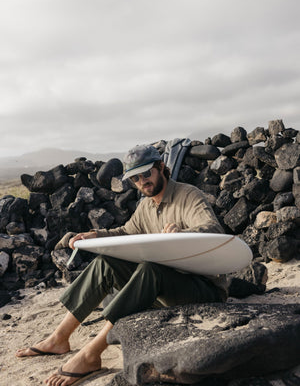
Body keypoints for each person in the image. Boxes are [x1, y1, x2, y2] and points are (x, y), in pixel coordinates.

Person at [16, 144, 228, 386]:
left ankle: (90, 354)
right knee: (106, 262)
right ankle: (59, 337)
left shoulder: (188, 195)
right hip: (162, 290)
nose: (142, 181)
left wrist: (184, 232)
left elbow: (214, 230)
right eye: (135, 178)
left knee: (150, 269)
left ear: (161, 167)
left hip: (203, 290)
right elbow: (127, 232)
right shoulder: (147, 206)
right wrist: (94, 236)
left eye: (146, 173)